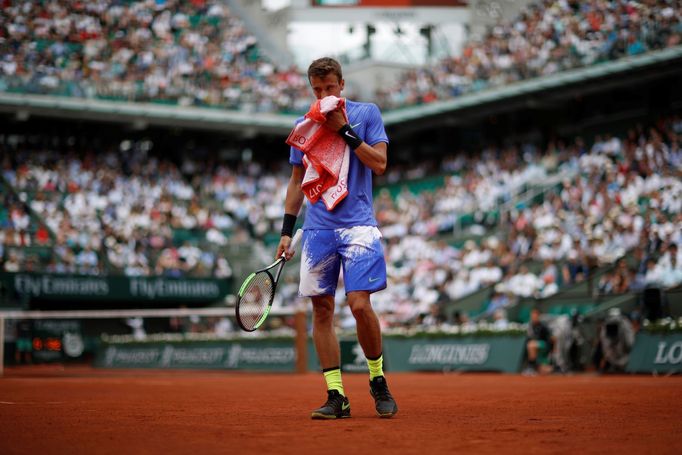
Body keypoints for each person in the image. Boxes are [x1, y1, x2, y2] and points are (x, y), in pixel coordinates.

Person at [276, 57, 398, 419]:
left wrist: (344, 130)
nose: (324, 95)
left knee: (360, 305)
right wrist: (285, 231)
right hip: (318, 228)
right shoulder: (304, 126)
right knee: (322, 309)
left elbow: (379, 163)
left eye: (329, 88)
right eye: (317, 90)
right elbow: (297, 182)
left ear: (341, 85)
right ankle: (336, 395)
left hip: (359, 224)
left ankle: (377, 379)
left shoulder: (366, 114)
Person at [523, 307, 554, 375]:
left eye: (535, 315)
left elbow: (550, 339)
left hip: (544, 345)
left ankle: (531, 367)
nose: (533, 316)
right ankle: (537, 367)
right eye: (532, 315)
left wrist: (550, 350)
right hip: (536, 346)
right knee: (544, 372)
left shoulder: (543, 326)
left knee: (531, 345)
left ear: (538, 316)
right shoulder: (530, 325)